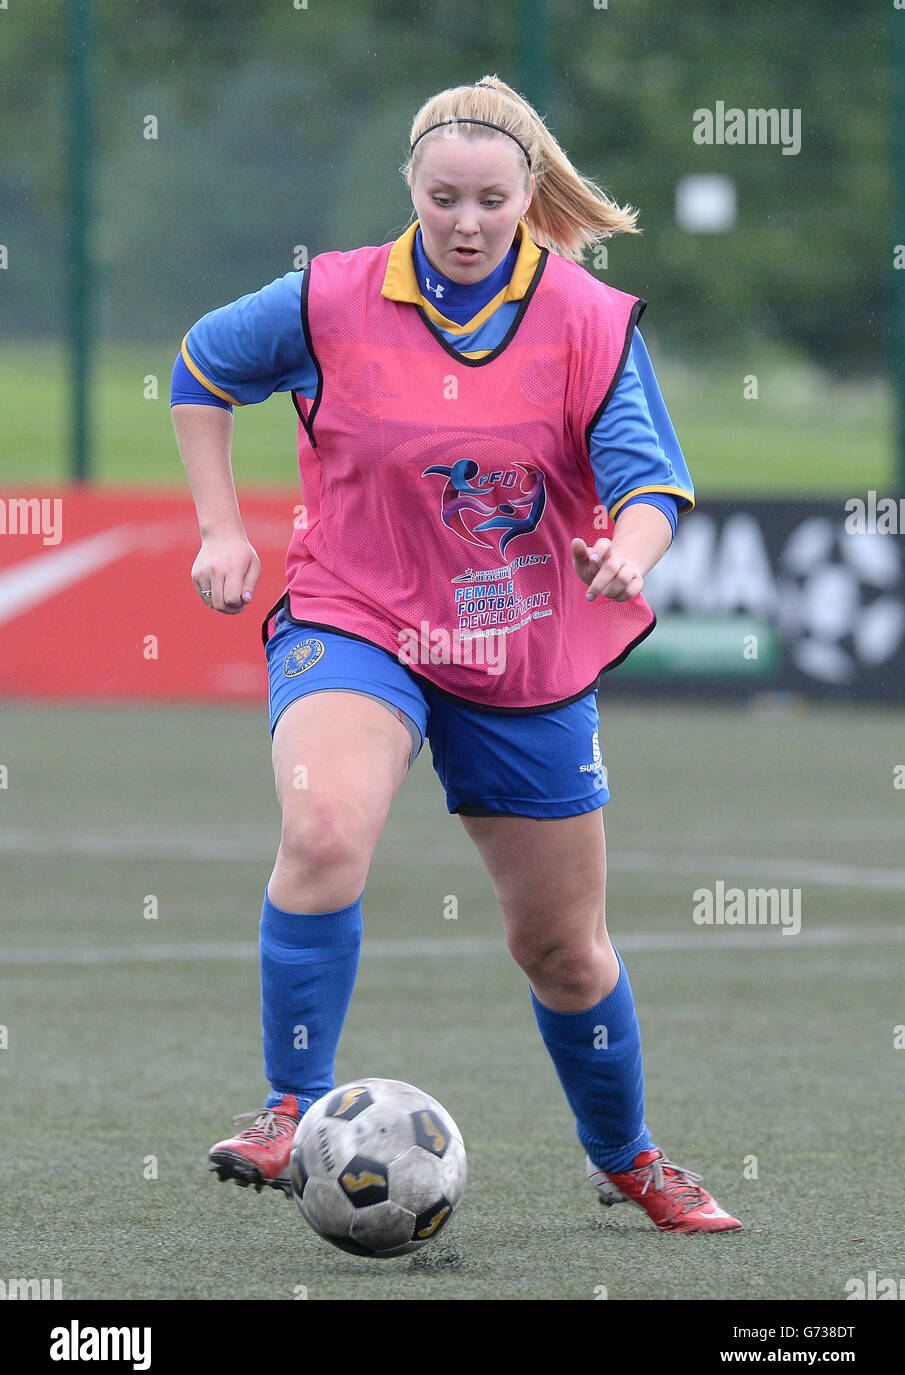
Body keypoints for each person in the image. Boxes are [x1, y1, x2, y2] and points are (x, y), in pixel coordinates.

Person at [171, 75, 740, 1234]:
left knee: (562, 949)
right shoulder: (329, 295)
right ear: (410, 192)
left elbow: (648, 480)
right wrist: (221, 525)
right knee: (322, 827)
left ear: (528, 193)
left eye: (490, 199)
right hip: (357, 613)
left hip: (518, 641)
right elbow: (201, 365)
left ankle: (626, 1154)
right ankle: (289, 1108)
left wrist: (627, 553)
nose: (467, 223)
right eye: (443, 199)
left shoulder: (585, 316)